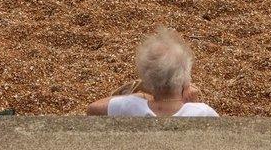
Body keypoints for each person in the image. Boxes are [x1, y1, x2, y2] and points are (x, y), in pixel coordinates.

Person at [87, 27, 218, 117]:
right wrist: (192, 104)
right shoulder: (202, 112)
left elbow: (92, 109)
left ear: (147, 79)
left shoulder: (131, 106)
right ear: (185, 78)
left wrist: (139, 97)